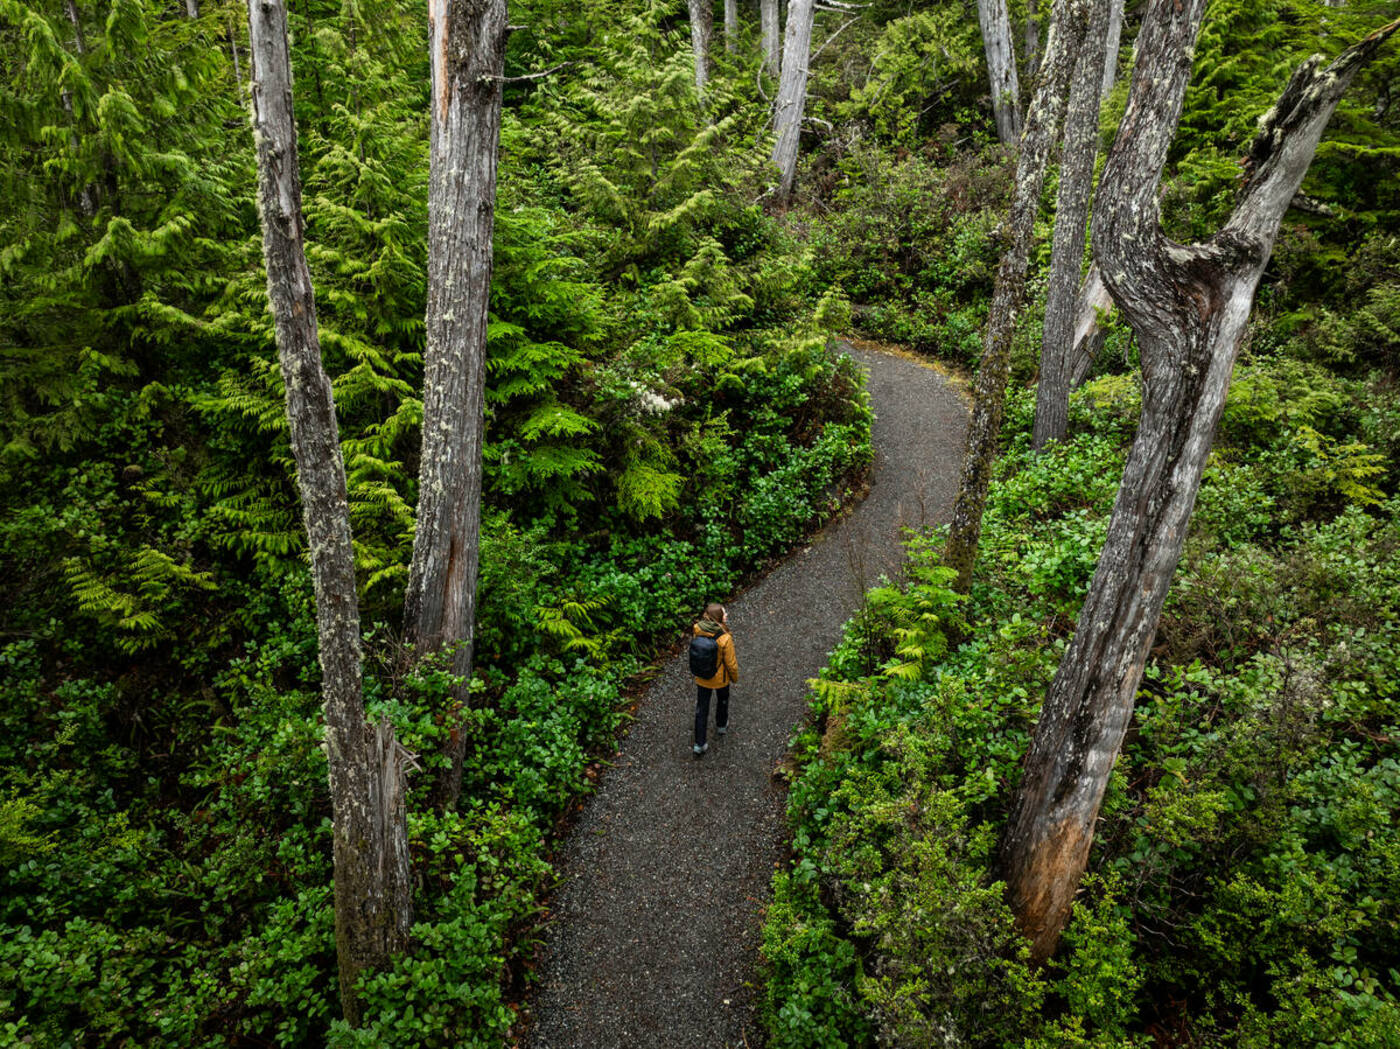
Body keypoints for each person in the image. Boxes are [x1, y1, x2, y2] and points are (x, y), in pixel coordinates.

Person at [692, 603, 738, 757]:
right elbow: (731, 663)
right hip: (720, 678)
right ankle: (721, 725)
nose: (726, 615)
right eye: (724, 614)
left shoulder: (697, 629)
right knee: (722, 700)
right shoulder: (725, 638)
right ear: (718, 617)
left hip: (702, 676)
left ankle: (699, 743)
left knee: (701, 708)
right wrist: (734, 677)